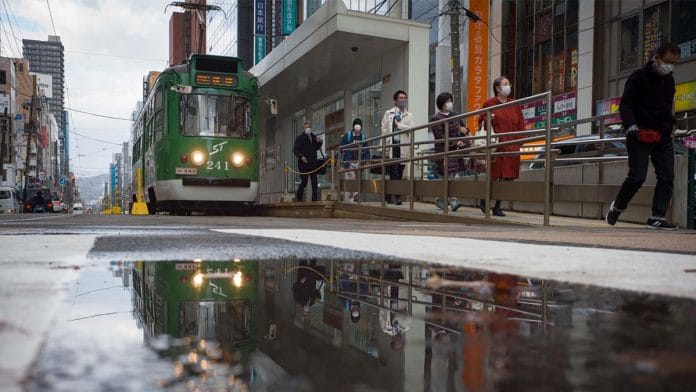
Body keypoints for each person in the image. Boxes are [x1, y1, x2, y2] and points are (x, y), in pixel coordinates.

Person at [605, 42, 682, 230]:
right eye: (667, 61)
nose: (670, 66)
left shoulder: (669, 81)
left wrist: (670, 126)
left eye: (674, 63)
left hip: (662, 135)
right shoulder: (638, 77)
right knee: (637, 177)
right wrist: (630, 125)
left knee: (667, 176)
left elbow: (666, 108)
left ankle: (657, 217)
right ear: (657, 57)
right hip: (638, 132)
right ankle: (617, 207)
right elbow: (626, 104)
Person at [477, 76, 525, 217]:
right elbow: (481, 123)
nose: (508, 86)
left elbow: (521, 123)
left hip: (512, 146)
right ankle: (484, 199)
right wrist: (487, 119)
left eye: (508, 83)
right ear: (497, 88)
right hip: (497, 146)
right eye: (505, 84)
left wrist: (520, 140)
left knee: (508, 178)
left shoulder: (514, 104)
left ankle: (498, 205)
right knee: (495, 176)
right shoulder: (490, 103)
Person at [431, 92, 470, 211]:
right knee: (448, 176)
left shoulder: (456, 115)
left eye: (450, 100)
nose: (450, 103)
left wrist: (464, 134)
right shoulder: (436, 118)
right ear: (441, 103)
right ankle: (452, 200)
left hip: (456, 151)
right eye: (447, 101)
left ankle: (443, 200)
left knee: (453, 176)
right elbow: (439, 136)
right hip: (443, 151)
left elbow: (464, 130)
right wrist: (454, 141)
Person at [381, 90, 414, 205]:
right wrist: (383, 147)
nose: (403, 100)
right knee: (394, 171)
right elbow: (384, 130)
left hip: (403, 146)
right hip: (392, 146)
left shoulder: (409, 115)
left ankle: (389, 194)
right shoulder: (388, 113)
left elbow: (411, 129)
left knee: (399, 172)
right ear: (395, 100)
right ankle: (398, 197)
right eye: (400, 98)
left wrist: (399, 126)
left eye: (405, 98)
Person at [339, 118, 371, 202]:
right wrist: (340, 163)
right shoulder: (348, 135)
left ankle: (353, 196)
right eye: (356, 124)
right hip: (349, 162)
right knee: (351, 177)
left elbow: (367, 150)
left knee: (357, 179)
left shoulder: (363, 137)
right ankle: (355, 194)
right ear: (353, 126)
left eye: (359, 125)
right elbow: (341, 148)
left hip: (359, 161)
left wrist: (367, 160)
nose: (357, 126)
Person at [293, 121, 323, 202]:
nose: (308, 129)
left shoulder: (314, 137)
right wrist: (301, 156)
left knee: (314, 182)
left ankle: (314, 199)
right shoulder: (300, 138)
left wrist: (320, 142)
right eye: (306, 127)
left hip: (313, 163)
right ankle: (299, 198)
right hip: (303, 164)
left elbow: (316, 148)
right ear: (304, 128)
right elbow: (295, 150)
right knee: (304, 182)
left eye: (309, 127)